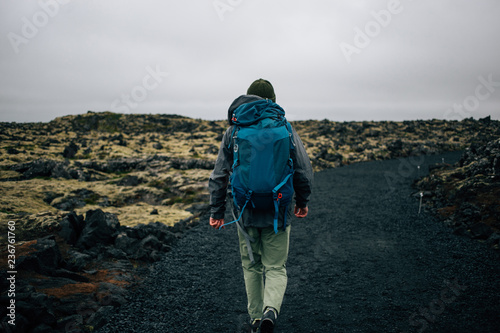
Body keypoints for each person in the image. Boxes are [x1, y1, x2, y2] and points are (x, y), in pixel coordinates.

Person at [208, 79, 313, 333]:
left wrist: (216, 211)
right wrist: (303, 201)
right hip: (279, 210)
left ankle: (255, 318)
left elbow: (220, 174)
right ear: (272, 100)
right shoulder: (285, 127)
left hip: (245, 211)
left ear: (248, 98)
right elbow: (303, 169)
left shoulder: (234, 130)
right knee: (276, 267)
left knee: (251, 265)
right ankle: (270, 312)